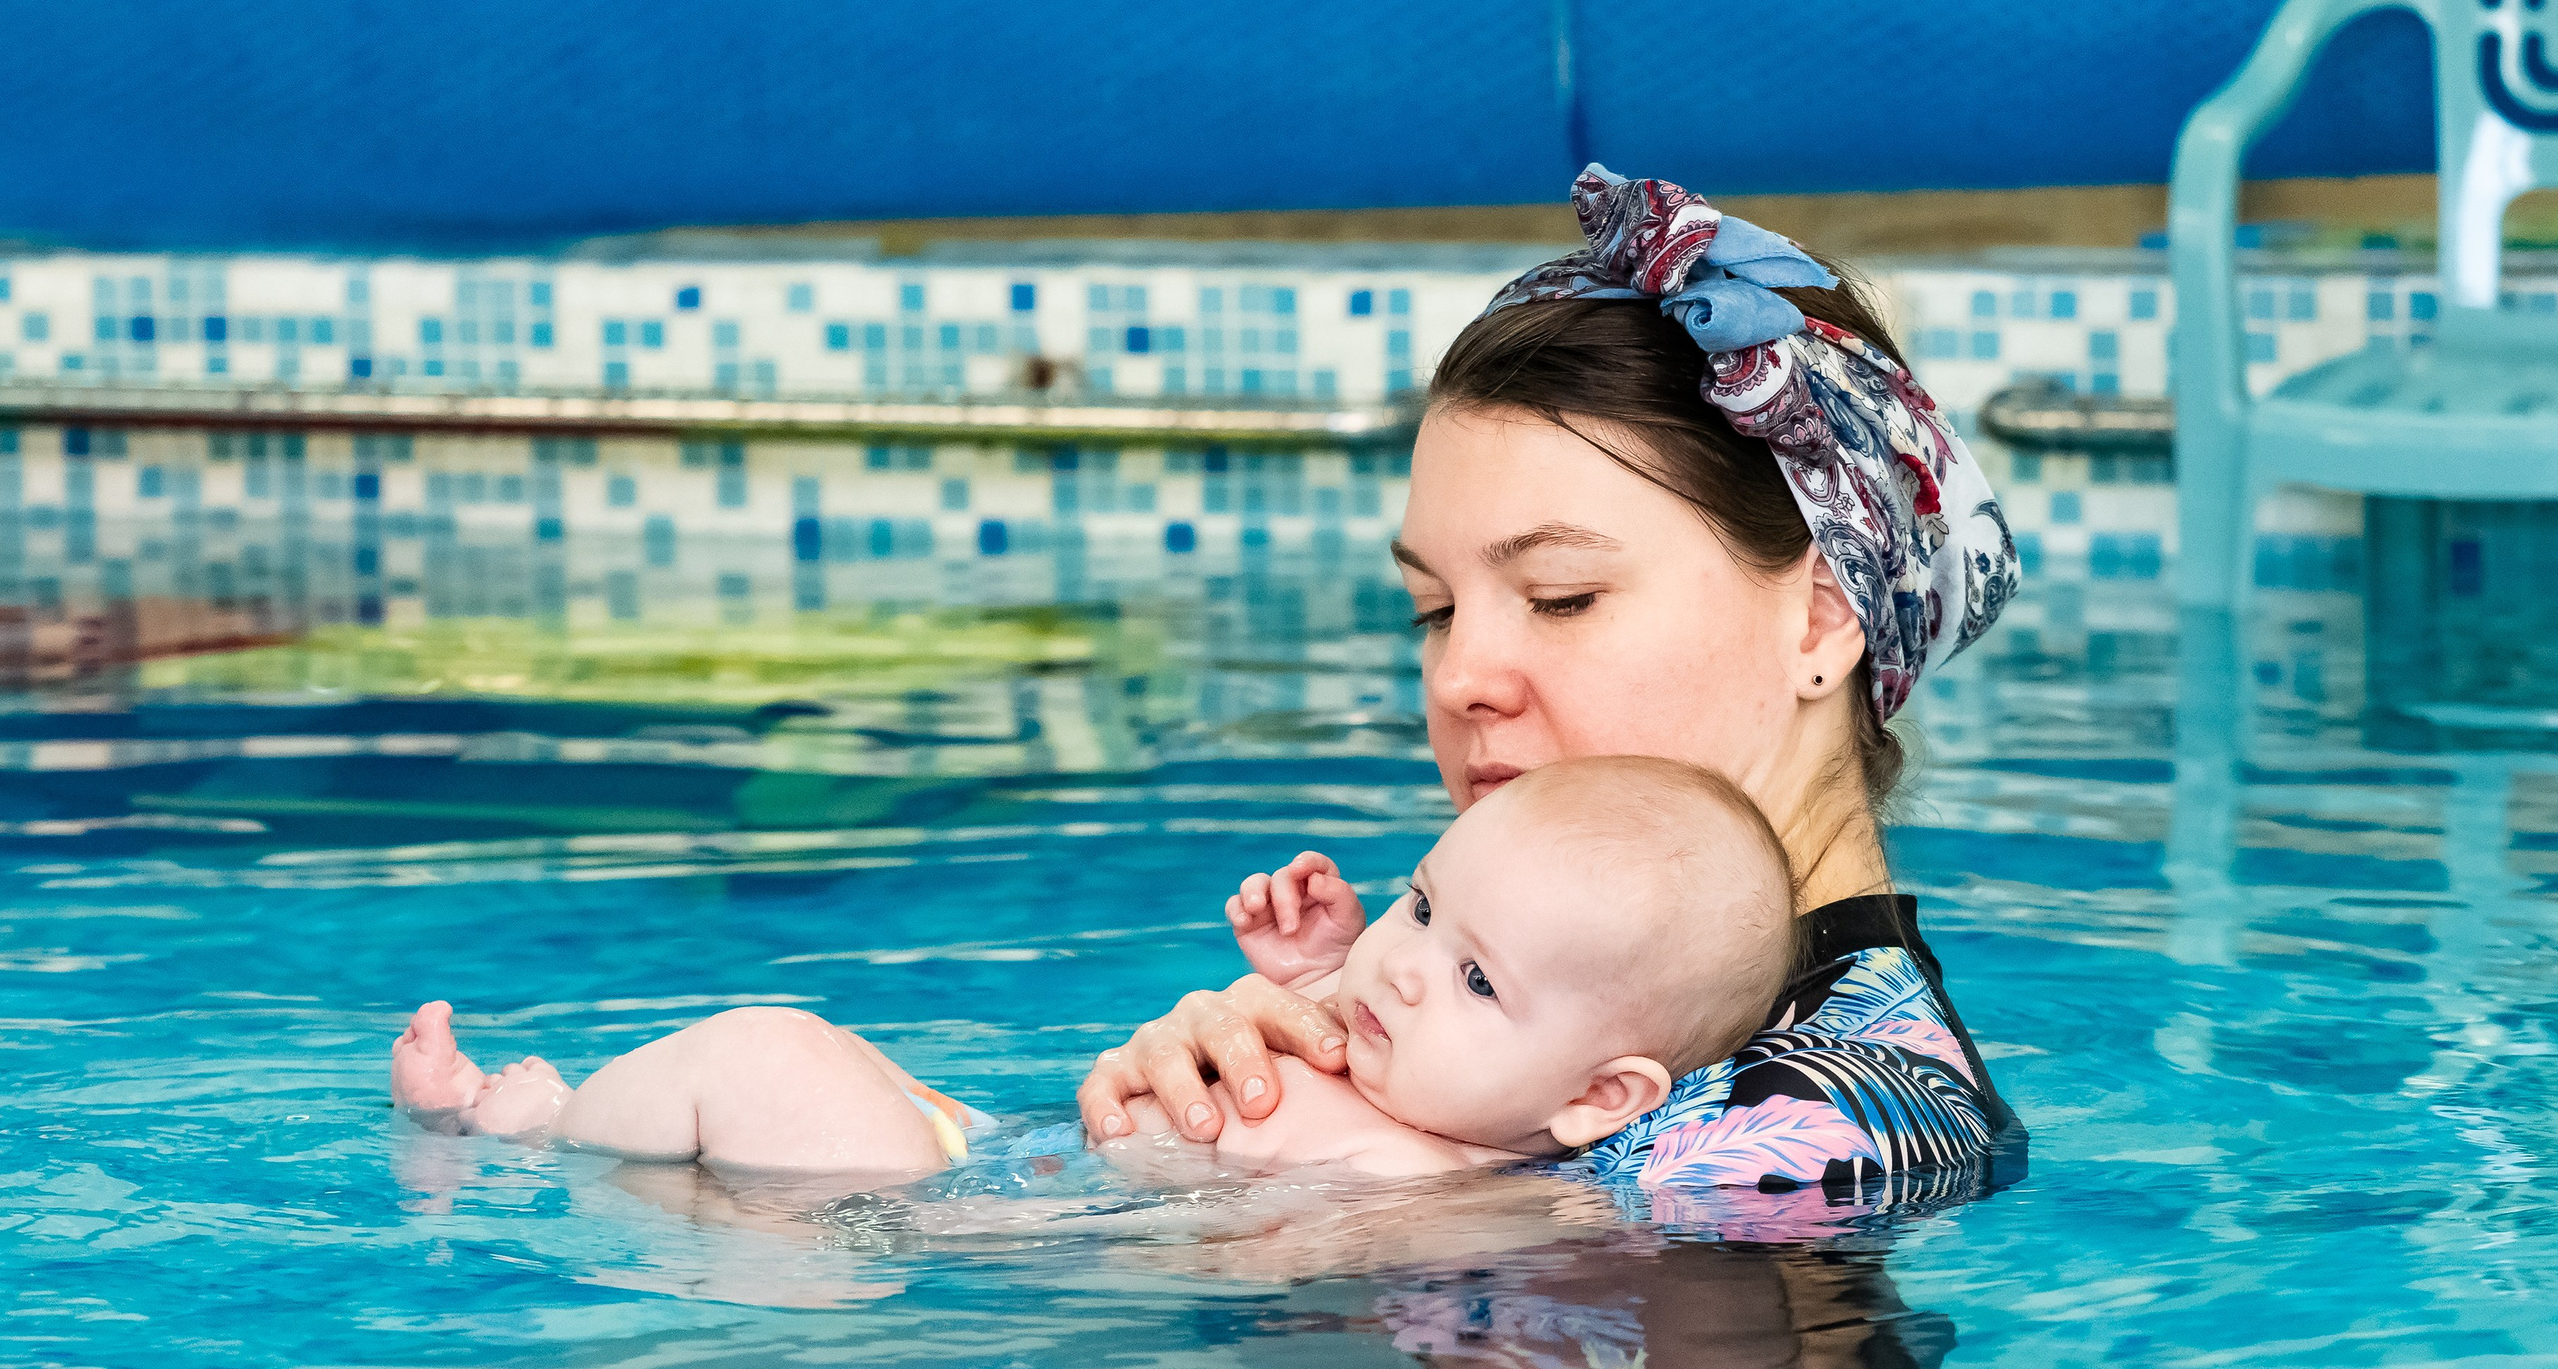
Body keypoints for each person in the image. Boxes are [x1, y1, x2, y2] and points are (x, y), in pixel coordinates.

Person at [1077, 164, 2025, 1208]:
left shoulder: (1863, 1121)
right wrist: (1243, 1081)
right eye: (1433, 612)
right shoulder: (1446, 994)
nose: (1461, 678)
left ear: (1820, 615)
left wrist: (1344, 1173)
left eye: (1562, 597)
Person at [387, 756, 1798, 1181]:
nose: (1412, 970)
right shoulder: (1399, 1072)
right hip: (996, 1150)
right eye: (1423, 907)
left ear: (1601, 1098)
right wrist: (1320, 973)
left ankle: (532, 1126)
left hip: (954, 1232)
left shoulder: (1442, 1187)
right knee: (841, 1058)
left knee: (773, 1048)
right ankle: (552, 1119)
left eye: (1479, 980)